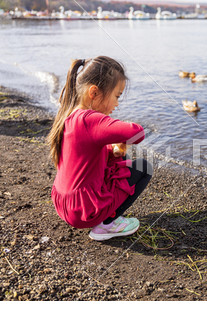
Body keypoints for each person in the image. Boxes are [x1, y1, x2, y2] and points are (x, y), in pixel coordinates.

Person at [47, 56, 152, 241]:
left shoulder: (68, 115)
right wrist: (119, 127)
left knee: (117, 165)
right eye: (116, 96)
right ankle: (106, 224)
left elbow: (87, 159)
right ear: (94, 93)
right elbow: (137, 133)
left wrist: (113, 151)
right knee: (144, 167)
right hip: (84, 210)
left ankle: (103, 219)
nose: (117, 104)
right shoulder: (89, 119)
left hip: (65, 205)